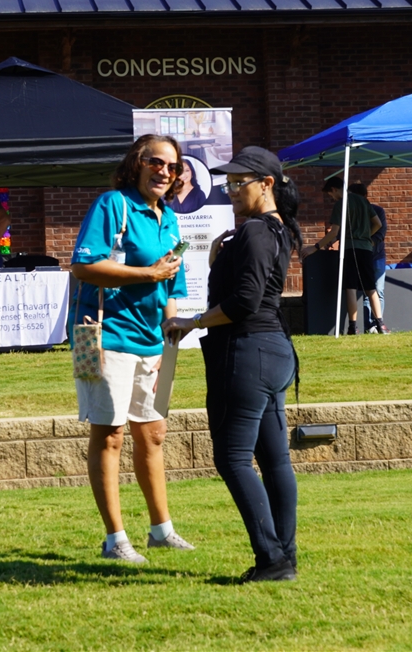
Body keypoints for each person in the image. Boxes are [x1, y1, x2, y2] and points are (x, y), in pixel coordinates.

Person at [163, 145, 303, 583]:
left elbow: (243, 302)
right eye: (228, 183)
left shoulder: (257, 231)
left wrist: (191, 322)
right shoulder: (277, 230)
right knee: (274, 460)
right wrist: (217, 262)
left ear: (267, 184)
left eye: (240, 182)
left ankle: (273, 560)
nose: (231, 190)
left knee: (232, 458)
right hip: (273, 353)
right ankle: (284, 557)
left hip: (247, 353)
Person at [70, 134, 194, 564]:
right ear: (136, 163)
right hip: (105, 337)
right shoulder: (113, 205)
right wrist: (147, 275)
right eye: (155, 162)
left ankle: (162, 531)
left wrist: (170, 336)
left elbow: (172, 284)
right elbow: (83, 265)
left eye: (172, 167)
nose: (164, 171)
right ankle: (115, 540)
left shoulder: (169, 218)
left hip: (152, 342)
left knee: (153, 434)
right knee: (110, 435)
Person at [302, 180, 386, 334]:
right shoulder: (364, 201)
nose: (332, 198)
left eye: (330, 194)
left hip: (349, 248)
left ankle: (353, 326)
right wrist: (366, 236)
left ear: (334, 189)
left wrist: (315, 247)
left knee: (351, 287)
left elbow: (334, 232)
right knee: (370, 287)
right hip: (366, 249)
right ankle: (381, 324)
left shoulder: (341, 204)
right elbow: (378, 224)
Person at [364, 201, 387, 330]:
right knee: (367, 293)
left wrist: (366, 242)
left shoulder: (378, 210)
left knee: (378, 291)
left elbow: (381, 233)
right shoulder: (355, 212)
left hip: (377, 256)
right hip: (364, 256)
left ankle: (377, 324)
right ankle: (369, 326)